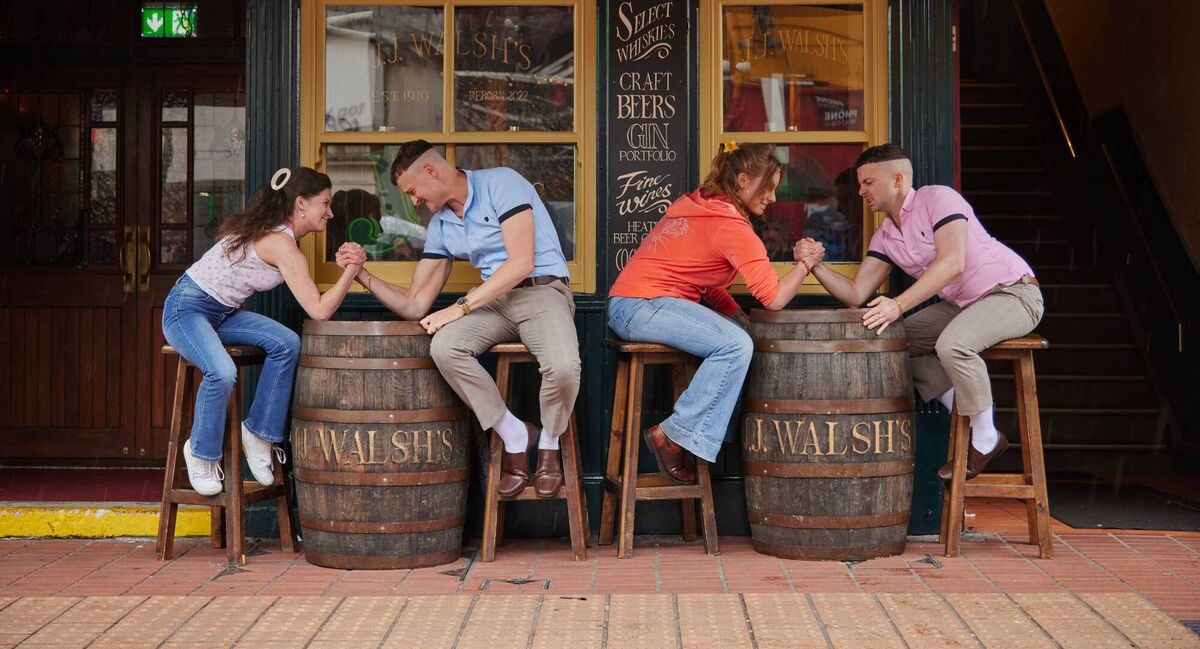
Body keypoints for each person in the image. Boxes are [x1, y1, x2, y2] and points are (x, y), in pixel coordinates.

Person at [340, 141, 580, 500]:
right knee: (445, 347)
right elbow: (415, 303)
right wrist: (363, 275)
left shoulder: (502, 183)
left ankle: (549, 443)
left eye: (413, 191)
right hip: (494, 303)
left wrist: (461, 307)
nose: (414, 201)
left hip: (541, 291)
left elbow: (521, 263)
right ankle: (515, 434)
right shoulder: (440, 225)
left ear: (431, 172)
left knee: (563, 367)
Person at [796, 143, 1044, 481]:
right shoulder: (886, 235)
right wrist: (814, 266)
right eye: (860, 183)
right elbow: (856, 293)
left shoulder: (937, 199)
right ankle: (969, 413)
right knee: (894, 344)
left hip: (1012, 292)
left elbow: (953, 262)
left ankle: (987, 438)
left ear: (897, 179)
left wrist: (897, 305)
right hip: (962, 304)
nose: (860, 191)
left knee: (953, 344)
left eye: (868, 182)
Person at [606, 142, 817, 483]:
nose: (773, 198)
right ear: (743, 180)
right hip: (643, 306)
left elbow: (703, 283)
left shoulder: (700, 205)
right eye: (768, 188)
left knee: (740, 337)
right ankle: (672, 435)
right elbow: (774, 298)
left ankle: (694, 436)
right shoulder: (730, 226)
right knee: (736, 346)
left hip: (632, 305)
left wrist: (740, 318)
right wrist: (806, 265)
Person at [162, 167, 363, 496]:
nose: (330, 212)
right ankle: (200, 452)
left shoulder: (279, 235)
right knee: (222, 372)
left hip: (222, 314)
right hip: (186, 309)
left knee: (287, 343)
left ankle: (258, 433)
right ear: (301, 203)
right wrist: (353, 271)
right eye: (325, 204)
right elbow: (319, 310)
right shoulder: (282, 244)